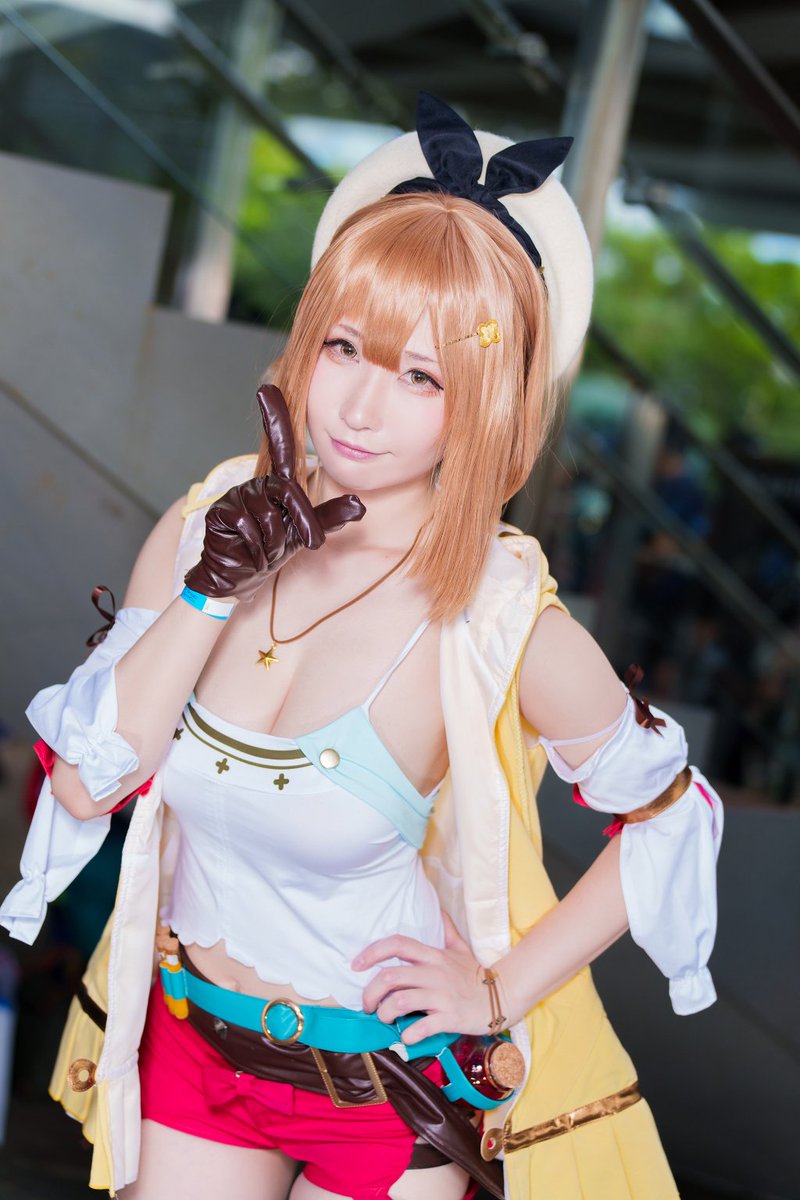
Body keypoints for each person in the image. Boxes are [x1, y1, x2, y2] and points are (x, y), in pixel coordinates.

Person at [0, 93, 723, 1200]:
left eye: (422, 376)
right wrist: (207, 591)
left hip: (385, 1093)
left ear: (485, 403)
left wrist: (496, 992)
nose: (359, 406)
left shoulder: (495, 614)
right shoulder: (211, 520)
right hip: (196, 1047)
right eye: (344, 346)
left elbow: (672, 813)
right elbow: (91, 782)